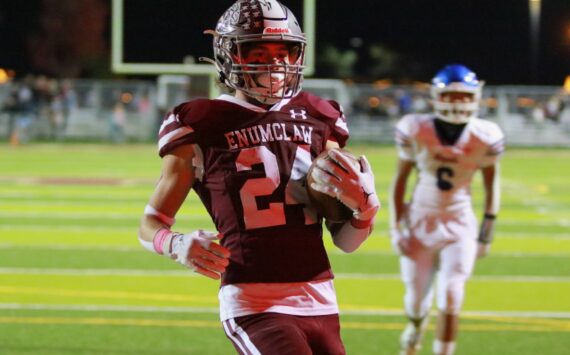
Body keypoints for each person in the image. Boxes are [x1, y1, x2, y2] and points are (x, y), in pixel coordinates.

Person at [138, 1, 380, 354]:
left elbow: (345, 242)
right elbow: (150, 222)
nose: (275, 61)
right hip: (254, 300)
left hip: (320, 297)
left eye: (285, 50)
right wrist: (174, 244)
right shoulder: (200, 122)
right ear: (230, 55)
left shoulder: (319, 117)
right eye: (258, 50)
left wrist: (366, 210)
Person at [390, 64, 504, 355]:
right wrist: (396, 227)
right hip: (420, 220)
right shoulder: (417, 128)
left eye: (464, 96)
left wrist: (486, 234)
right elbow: (400, 181)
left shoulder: (485, 134)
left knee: (452, 294)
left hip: (459, 221)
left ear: (475, 97)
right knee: (416, 300)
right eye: (452, 96)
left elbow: (492, 186)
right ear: (437, 97)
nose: (458, 103)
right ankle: (416, 327)